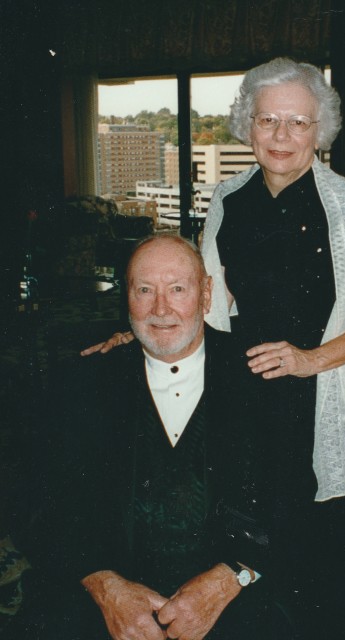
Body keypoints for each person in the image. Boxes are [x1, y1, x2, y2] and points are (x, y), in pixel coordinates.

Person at [81, 57, 345, 639]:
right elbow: (203, 298)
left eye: (297, 122)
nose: (281, 136)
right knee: (247, 546)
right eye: (267, 120)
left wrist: (308, 359)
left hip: (320, 395)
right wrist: (140, 334)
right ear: (247, 125)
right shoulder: (230, 197)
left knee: (316, 544)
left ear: (320, 130)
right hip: (245, 390)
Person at [5, 235, 280, 640]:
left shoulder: (261, 378)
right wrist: (103, 584)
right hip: (105, 604)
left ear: (206, 295)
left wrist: (233, 576)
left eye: (178, 289)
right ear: (127, 296)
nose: (161, 309)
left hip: (232, 600)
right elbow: (36, 503)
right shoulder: (81, 381)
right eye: (145, 290)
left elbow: (293, 501)